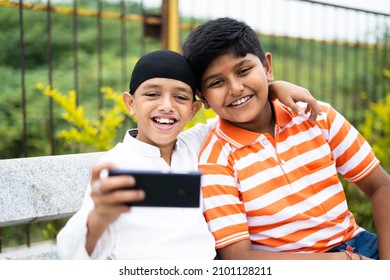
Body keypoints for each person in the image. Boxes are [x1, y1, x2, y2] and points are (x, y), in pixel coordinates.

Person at [56, 49, 321, 260]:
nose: (167, 106)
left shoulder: (195, 145)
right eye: (152, 94)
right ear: (130, 103)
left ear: (193, 110)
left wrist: (273, 88)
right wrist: (99, 218)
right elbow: (72, 255)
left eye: (180, 98)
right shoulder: (117, 166)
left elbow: (237, 109)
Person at [182, 17, 390, 260]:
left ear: (267, 66)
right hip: (291, 265)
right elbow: (239, 257)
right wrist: (342, 263)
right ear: (202, 97)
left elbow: (381, 186)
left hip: (358, 246)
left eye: (244, 71)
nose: (235, 88)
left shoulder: (315, 115)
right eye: (217, 82)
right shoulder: (216, 161)